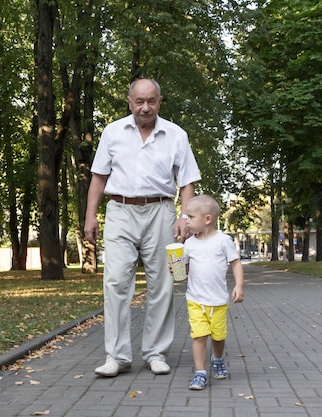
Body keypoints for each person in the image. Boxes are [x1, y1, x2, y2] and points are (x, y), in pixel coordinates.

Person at [84, 78, 201, 377]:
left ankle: (156, 352)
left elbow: (187, 181)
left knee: (162, 283)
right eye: (139, 101)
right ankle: (117, 356)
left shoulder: (176, 135)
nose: (145, 107)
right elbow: (99, 177)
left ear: (159, 102)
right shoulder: (113, 132)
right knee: (116, 283)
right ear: (130, 102)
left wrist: (185, 217)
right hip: (120, 211)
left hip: (161, 211)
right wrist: (90, 216)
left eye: (151, 101)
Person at [182, 194, 244, 390]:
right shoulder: (189, 243)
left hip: (218, 300)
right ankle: (200, 372)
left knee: (218, 336)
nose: (187, 221)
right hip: (195, 299)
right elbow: (183, 270)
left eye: (190, 217)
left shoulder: (223, 241)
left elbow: (235, 263)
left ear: (207, 219)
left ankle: (217, 359)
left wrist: (239, 286)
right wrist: (175, 268)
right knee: (199, 336)